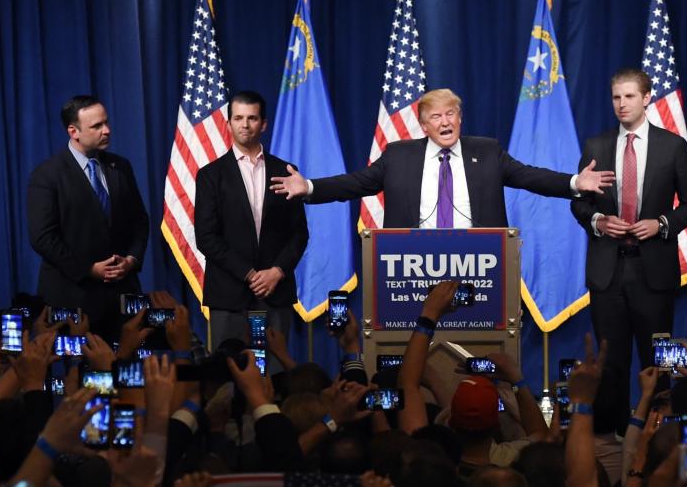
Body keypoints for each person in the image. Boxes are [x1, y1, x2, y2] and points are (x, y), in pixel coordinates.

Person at [269, 88, 614, 227]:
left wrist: (574, 183)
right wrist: (310, 187)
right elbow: (355, 183)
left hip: (479, 262)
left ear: (460, 118)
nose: (445, 122)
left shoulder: (486, 151)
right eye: (436, 117)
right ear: (423, 125)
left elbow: (529, 176)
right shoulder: (399, 156)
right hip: (413, 265)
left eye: (451, 114)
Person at [571, 68, 687, 434]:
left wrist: (660, 224)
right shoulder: (596, 146)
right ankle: (611, 444)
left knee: (657, 363)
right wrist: (598, 220)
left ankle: (657, 439)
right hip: (608, 271)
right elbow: (579, 204)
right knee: (610, 364)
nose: (621, 104)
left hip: (653, 271)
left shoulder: (673, 146)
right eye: (616, 97)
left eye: (629, 96)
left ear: (646, 98)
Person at [194, 90, 308, 357]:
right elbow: (206, 237)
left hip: (275, 292)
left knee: (277, 377)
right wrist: (249, 274)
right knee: (228, 378)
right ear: (229, 123)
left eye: (252, 118)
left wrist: (277, 272)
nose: (245, 125)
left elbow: (299, 234)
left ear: (264, 124)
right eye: (238, 118)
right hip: (229, 294)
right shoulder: (211, 175)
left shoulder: (287, 171)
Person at [26, 95, 149, 333]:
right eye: (97, 126)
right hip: (72, 299)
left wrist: (132, 260)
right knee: (77, 371)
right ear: (74, 131)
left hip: (122, 299)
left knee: (127, 368)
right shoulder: (47, 175)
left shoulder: (121, 166)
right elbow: (42, 237)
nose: (107, 130)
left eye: (106, 122)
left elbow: (140, 221)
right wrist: (88, 270)